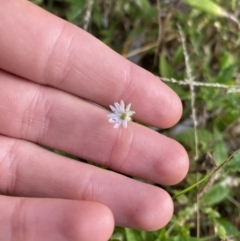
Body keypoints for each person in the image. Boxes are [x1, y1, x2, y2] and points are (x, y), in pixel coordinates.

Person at [0, 0, 189, 240]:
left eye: (125, 114)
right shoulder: (119, 114)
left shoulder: (121, 115)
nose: (124, 114)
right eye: (124, 114)